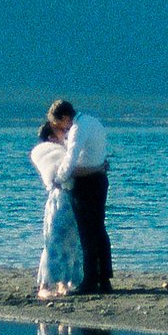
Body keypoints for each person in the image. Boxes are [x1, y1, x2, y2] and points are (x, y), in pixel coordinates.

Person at [51, 99, 112, 293]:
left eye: (59, 123)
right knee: (99, 229)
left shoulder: (78, 128)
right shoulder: (94, 122)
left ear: (66, 117)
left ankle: (90, 279)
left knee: (87, 232)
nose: (61, 128)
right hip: (100, 178)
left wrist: (59, 178)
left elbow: (71, 158)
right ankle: (104, 278)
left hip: (87, 183)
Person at [29, 119, 83, 299]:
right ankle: (46, 285)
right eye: (61, 130)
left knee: (71, 242)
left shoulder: (66, 150)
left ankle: (65, 282)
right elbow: (59, 172)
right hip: (60, 198)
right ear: (52, 136)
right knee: (55, 240)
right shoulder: (47, 151)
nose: (65, 132)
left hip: (70, 198)